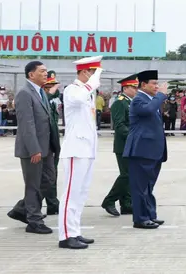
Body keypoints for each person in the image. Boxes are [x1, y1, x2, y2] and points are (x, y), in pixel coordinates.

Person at [57, 56, 103, 249]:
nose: (95, 79)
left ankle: (74, 231)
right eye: (93, 73)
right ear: (85, 72)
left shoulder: (88, 93)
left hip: (87, 149)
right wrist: (92, 83)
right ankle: (66, 235)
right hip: (76, 149)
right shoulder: (72, 90)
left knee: (81, 193)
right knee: (70, 193)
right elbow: (77, 99)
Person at [7, 61, 56, 235]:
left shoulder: (41, 92)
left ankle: (22, 209)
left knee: (49, 180)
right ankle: (34, 220)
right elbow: (27, 124)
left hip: (46, 147)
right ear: (31, 74)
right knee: (33, 185)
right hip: (33, 149)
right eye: (42, 71)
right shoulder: (24, 93)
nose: (46, 73)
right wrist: (35, 149)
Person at [124, 70, 169, 230]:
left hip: (153, 151)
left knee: (148, 186)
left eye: (157, 84)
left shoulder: (150, 100)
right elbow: (148, 110)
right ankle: (140, 219)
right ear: (143, 85)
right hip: (141, 150)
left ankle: (150, 214)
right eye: (154, 83)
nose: (157, 87)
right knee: (140, 187)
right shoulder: (138, 100)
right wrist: (161, 96)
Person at [102, 74, 137, 217]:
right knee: (126, 175)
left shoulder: (130, 102)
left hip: (131, 144)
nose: (136, 90)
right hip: (123, 145)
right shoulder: (119, 103)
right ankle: (109, 200)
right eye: (134, 87)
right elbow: (119, 125)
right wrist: (133, 136)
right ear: (126, 87)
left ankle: (127, 204)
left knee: (130, 175)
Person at [42, 71, 62, 215]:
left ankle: (52, 204)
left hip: (53, 141)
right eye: (51, 86)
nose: (54, 89)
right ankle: (28, 207)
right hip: (43, 143)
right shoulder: (42, 98)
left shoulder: (53, 99)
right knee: (45, 177)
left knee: (52, 175)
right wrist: (50, 93)